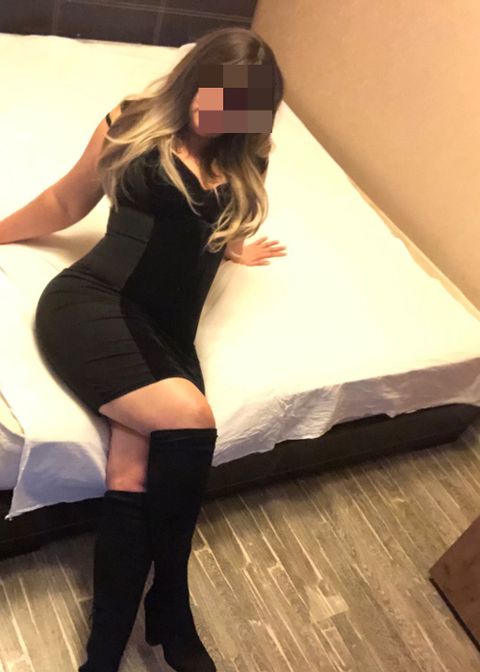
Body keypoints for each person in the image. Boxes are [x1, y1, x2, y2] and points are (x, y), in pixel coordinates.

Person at [1, 26, 287, 671]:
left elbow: (207, 226)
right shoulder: (132, 123)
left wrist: (233, 248)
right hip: (93, 305)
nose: (215, 110)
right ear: (193, 78)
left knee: (130, 477)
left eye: (236, 103)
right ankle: (172, 604)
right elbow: (66, 199)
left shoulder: (248, 155)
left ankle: (102, 656)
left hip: (168, 332)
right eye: (211, 91)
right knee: (192, 421)